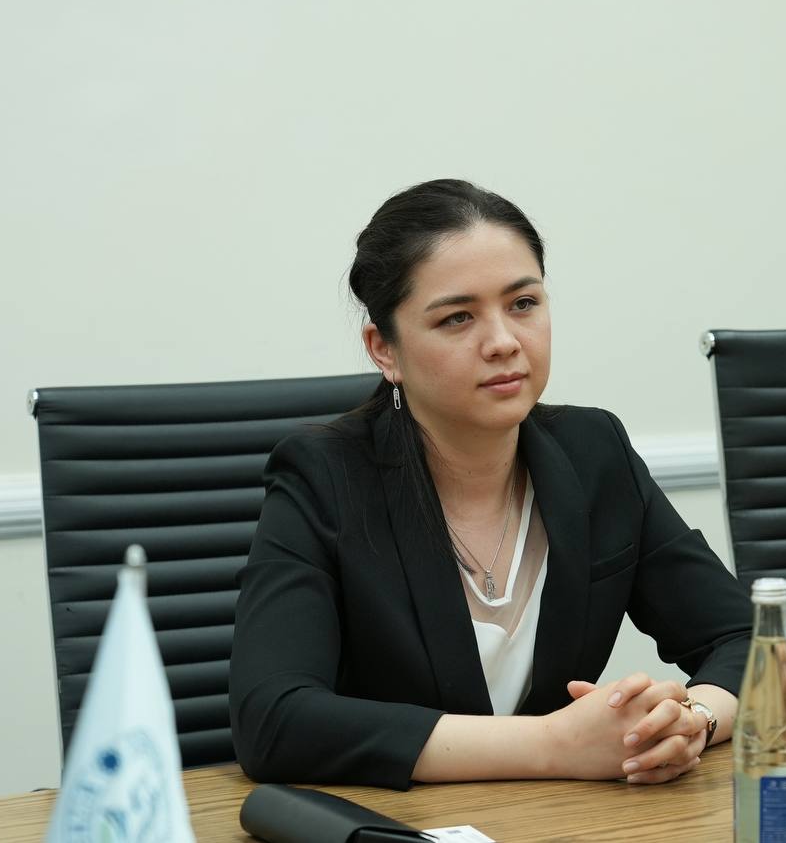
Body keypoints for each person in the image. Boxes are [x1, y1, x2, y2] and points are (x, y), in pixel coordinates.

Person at [229, 179, 752, 790]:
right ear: (384, 349)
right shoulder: (325, 475)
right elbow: (273, 721)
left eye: (523, 303)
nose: (504, 342)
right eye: (457, 317)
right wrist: (554, 746)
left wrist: (692, 721)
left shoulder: (593, 451)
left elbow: (748, 640)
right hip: (397, 823)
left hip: (558, 822)